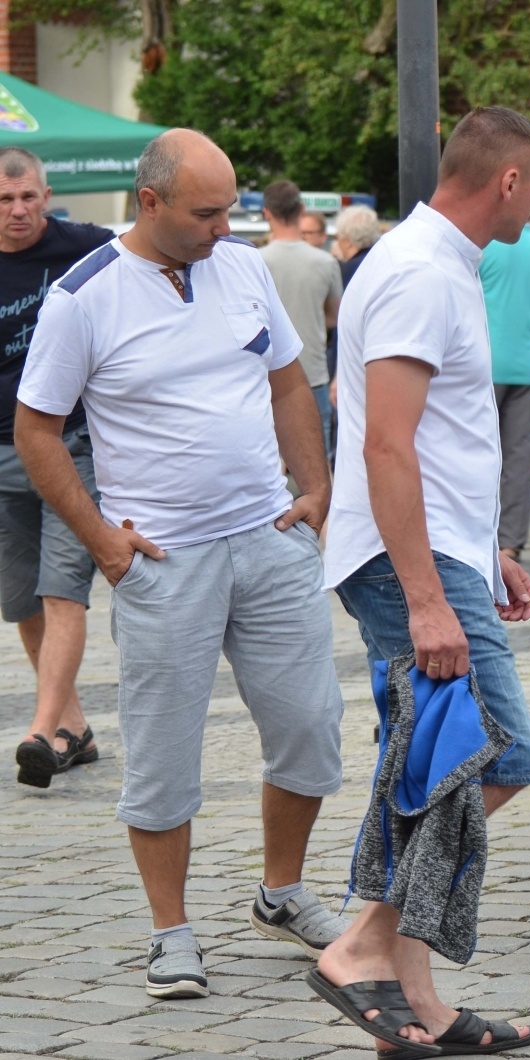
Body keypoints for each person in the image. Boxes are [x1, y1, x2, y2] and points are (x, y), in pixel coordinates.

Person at [15, 129, 346, 999]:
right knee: (164, 754)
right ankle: (171, 931)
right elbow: (35, 430)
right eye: (206, 213)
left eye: (229, 208)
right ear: (150, 202)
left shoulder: (241, 267)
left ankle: (281, 893)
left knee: (310, 727)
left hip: (268, 541)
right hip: (164, 559)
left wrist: (315, 489)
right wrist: (102, 540)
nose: (223, 226)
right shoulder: (84, 296)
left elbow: (286, 380)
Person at [316, 105, 530, 1056]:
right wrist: (426, 595)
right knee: (499, 753)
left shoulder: (434, 262)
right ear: (508, 181)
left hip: (440, 548)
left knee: (430, 764)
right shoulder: (419, 270)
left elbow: (438, 438)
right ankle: (361, 946)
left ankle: (416, 1006)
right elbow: (384, 443)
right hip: (405, 560)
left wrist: (485, 550)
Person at [0, 147, 111, 788]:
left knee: (62, 587)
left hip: (73, 447)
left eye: (28, 197)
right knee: (22, 601)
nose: (18, 210)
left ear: (46, 196)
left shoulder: (85, 247)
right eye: (4, 199)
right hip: (3, 456)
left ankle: (42, 731)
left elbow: (149, 255)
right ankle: (74, 727)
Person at [480, 207, 530, 560]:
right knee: (521, 459)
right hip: (528, 364)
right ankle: (510, 542)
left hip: (485, 364)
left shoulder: (484, 246)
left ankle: (478, 536)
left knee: (477, 456)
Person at [260, 180, 343, 453]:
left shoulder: (255, 261)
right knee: (318, 461)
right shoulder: (326, 262)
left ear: (267, 213)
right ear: (302, 210)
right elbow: (334, 318)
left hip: (264, 375)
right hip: (312, 373)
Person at [334, 204, 381, 287]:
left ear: (347, 240)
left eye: (337, 237)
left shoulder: (349, 270)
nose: (337, 242)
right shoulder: (381, 261)